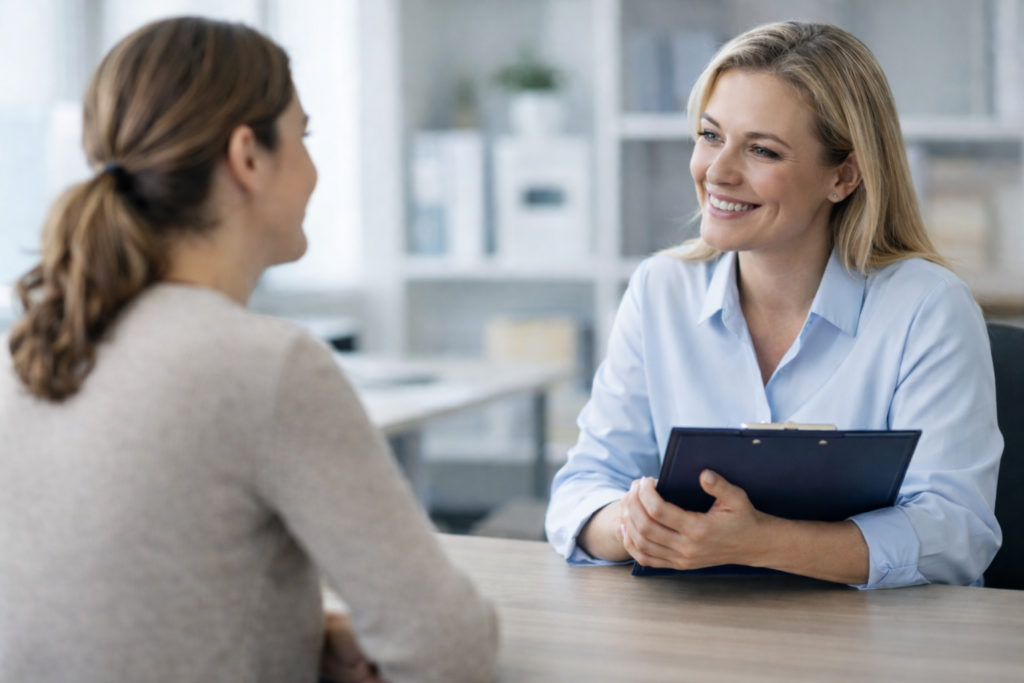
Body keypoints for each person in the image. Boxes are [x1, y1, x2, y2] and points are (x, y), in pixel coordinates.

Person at [0, 17, 497, 683]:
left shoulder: (31, 347)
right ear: (248, 157)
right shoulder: (266, 366)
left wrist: (297, 633)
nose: (315, 167)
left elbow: (89, 609)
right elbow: (449, 647)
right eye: (304, 136)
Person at [545, 21, 1002, 589]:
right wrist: (636, 525)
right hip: (695, 641)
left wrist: (759, 543)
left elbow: (956, 535)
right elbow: (580, 490)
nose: (718, 172)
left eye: (762, 149)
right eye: (711, 135)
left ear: (843, 175)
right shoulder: (659, 290)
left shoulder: (927, 308)